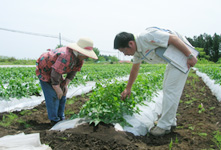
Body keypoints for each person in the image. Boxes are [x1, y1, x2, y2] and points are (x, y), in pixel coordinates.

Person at [113, 27, 197, 136]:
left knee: (171, 90)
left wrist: (189, 55)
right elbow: (135, 68)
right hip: (173, 60)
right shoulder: (137, 51)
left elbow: (172, 38)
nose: (125, 54)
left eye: (124, 51)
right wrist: (128, 88)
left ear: (131, 43)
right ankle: (169, 121)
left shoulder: (146, 37)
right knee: (167, 88)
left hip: (182, 57)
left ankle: (164, 126)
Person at [36, 38, 98, 125]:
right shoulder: (65, 56)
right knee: (53, 95)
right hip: (45, 69)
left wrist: (65, 84)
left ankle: (61, 117)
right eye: (86, 54)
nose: (87, 57)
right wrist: (56, 86)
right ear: (80, 52)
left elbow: (73, 71)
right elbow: (55, 72)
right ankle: (54, 120)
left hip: (56, 72)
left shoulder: (79, 60)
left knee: (63, 94)